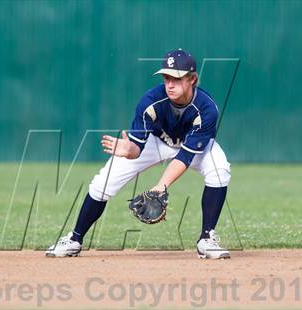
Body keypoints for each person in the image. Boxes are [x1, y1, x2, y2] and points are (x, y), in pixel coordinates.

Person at [46, 49, 231, 259]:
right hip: (156, 140)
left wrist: (160, 187)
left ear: (192, 79)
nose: (170, 84)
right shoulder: (150, 101)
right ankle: (74, 239)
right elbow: (137, 148)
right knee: (102, 183)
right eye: (167, 77)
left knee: (220, 169)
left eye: (177, 78)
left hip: (191, 145)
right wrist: (129, 150)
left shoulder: (207, 109)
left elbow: (184, 157)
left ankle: (206, 239)